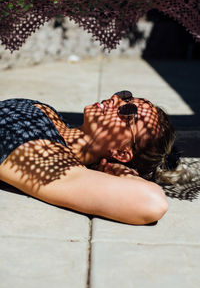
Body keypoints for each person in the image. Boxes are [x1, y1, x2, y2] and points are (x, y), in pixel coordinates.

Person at [0, 91, 180, 225]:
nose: (116, 99)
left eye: (127, 110)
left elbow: (153, 203)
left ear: (121, 152)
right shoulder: (56, 120)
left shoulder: (51, 161)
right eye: (126, 97)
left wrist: (126, 174)